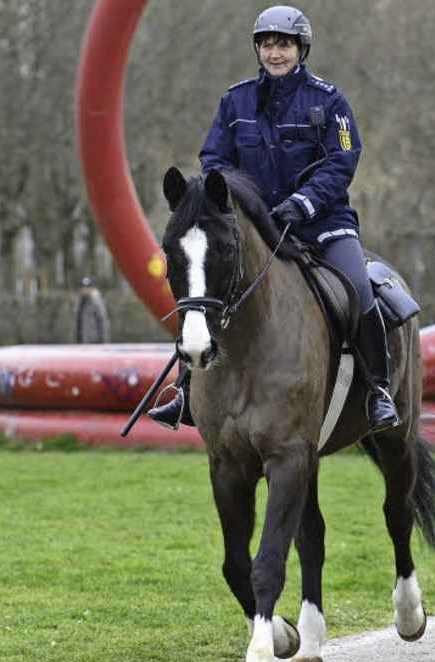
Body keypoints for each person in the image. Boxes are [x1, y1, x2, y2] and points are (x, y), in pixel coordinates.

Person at [148, 4, 400, 434]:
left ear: (300, 48)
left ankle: (378, 390)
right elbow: (213, 159)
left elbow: (342, 160)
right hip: (255, 226)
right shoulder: (235, 100)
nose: (275, 52)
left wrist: (303, 203)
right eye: (267, 44)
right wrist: (246, 202)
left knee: (359, 288)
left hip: (321, 224)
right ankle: (187, 390)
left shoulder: (330, 100)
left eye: (283, 44)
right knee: (206, 286)